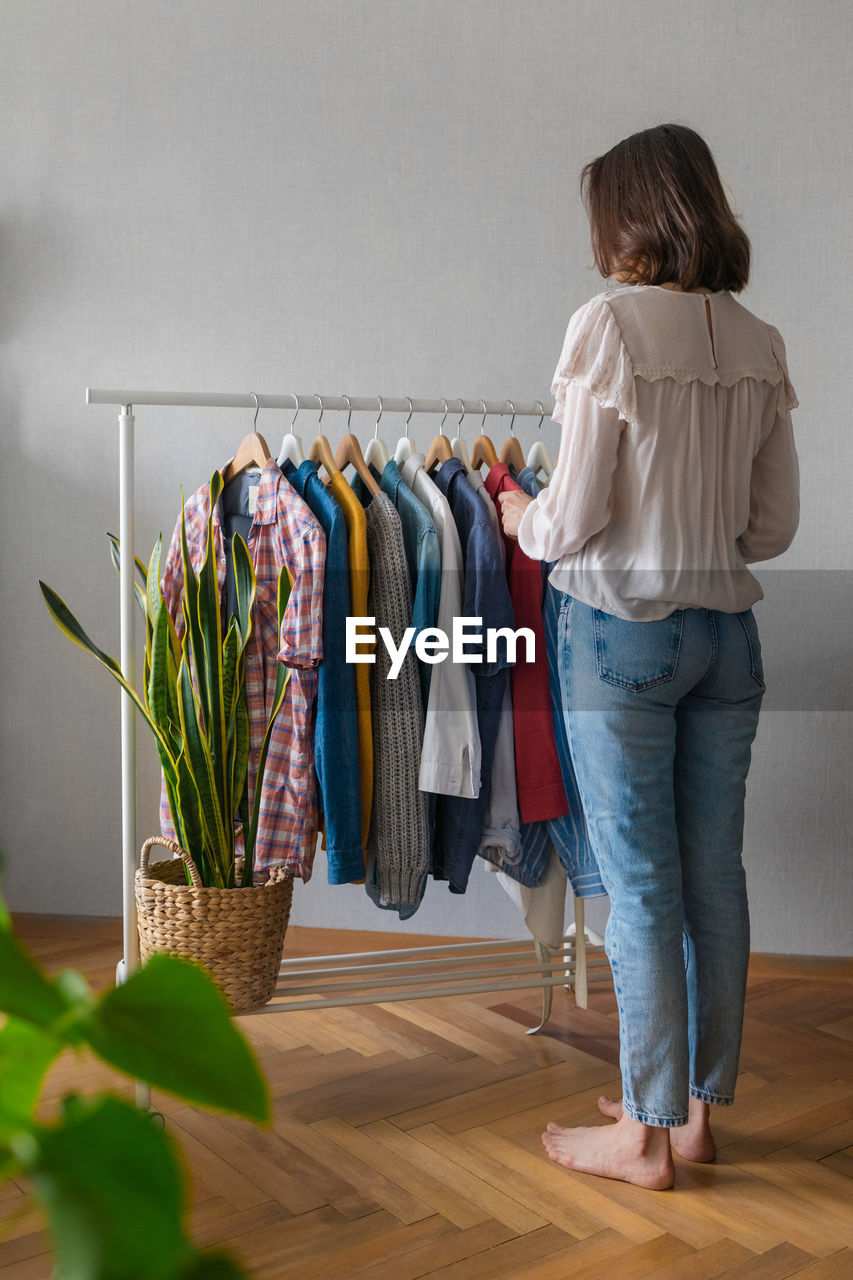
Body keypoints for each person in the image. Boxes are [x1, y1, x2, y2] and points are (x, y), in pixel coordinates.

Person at [498, 123, 800, 1191]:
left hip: (620, 631)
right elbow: (771, 530)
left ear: (623, 215)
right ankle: (690, 1111)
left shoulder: (608, 326)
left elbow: (572, 517)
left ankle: (642, 1136)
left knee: (638, 885)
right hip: (727, 636)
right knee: (712, 874)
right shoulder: (759, 340)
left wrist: (515, 509)